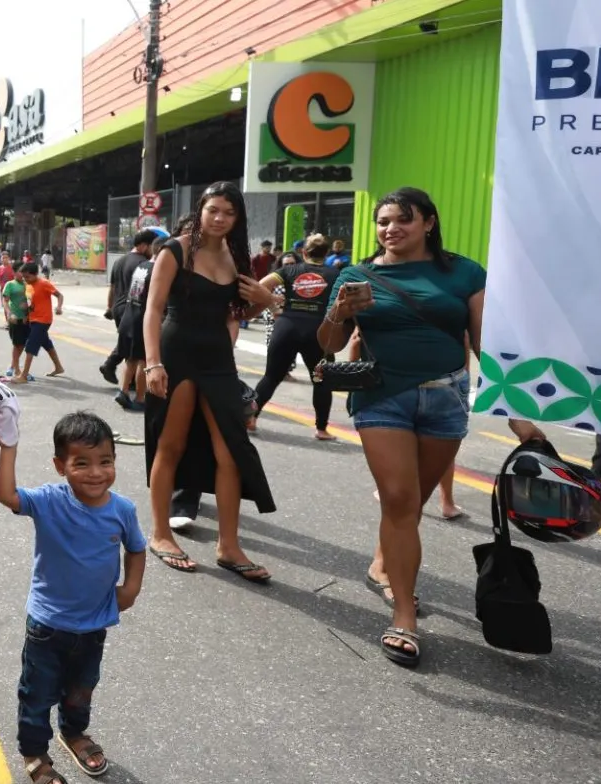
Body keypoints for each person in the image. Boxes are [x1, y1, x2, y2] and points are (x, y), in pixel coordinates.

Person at [317, 187, 485, 668]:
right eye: (383, 221)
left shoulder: (464, 272)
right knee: (399, 499)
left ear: (428, 223)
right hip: (381, 396)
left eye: (402, 220)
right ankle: (404, 615)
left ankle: (382, 561)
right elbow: (327, 343)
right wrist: (339, 312)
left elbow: (482, 340)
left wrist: (514, 409)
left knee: (411, 505)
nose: (390, 229)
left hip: (447, 396)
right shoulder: (356, 273)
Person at [0, 411, 145, 784]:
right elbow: (7, 495)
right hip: (47, 625)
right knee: (37, 693)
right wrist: (8, 446)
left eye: (105, 461)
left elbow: (137, 548)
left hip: (94, 625)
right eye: (81, 463)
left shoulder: (122, 510)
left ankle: (74, 732)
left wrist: (131, 588)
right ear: (60, 466)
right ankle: (34, 753)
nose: (96, 473)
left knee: (82, 688)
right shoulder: (49, 501)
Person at [142, 182, 276, 577]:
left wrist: (264, 302)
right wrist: (152, 363)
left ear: (238, 219)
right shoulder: (177, 249)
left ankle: (229, 546)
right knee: (172, 443)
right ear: (200, 210)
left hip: (218, 359)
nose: (219, 219)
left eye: (228, 213)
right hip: (176, 352)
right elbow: (153, 309)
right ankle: (161, 532)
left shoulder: (237, 257)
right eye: (213, 210)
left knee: (231, 451)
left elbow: (235, 314)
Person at [254, 233, 340, 441]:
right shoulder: (335, 274)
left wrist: (274, 303)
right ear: (327, 253)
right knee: (320, 380)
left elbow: (259, 286)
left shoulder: (289, 270)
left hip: (287, 326)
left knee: (271, 376)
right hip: (318, 331)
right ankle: (321, 429)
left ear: (303, 252)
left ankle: (250, 418)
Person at [101, 231, 157, 387]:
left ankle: (119, 372)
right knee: (134, 346)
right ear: (144, 245)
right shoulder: (143, 264)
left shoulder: (119, 261)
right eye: (152, 246)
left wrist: (109, 307)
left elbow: (112, 287)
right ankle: (117, 370)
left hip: (118, 308)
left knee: (127, 343)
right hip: (132, 307)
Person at [116, 233, 163, 413]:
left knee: (131, 359)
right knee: (144, 360)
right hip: (142, 320)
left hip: (129, 316)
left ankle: (123, 390)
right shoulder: (157, 271)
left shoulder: (141, 266)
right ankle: (141, 398)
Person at [10, 263, 65, 384]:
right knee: (46, 343)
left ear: (35, 274)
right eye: (24, 277)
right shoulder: (28, 285)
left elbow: (59, 295)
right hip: (33, 319)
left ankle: (23, 376)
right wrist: (26, 314)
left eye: (27, 277)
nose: (25, 279)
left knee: (30, 346)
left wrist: (59, 307)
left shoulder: (44, 283)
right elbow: (31, 302)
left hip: (43, 320)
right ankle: (59, 367)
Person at [0, 267, 31, 380]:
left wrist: (27, 314)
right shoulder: (10, 284)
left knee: (22, 344)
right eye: (19, 272)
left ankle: (13, 365)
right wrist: (9, 313)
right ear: (14, 272)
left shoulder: (27, 284)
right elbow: (5, 301)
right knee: (16, 344)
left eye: (23, 272)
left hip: (25, 319)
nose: (21, 274)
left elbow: (30, 300)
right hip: (14, 318)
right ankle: (17, 369)